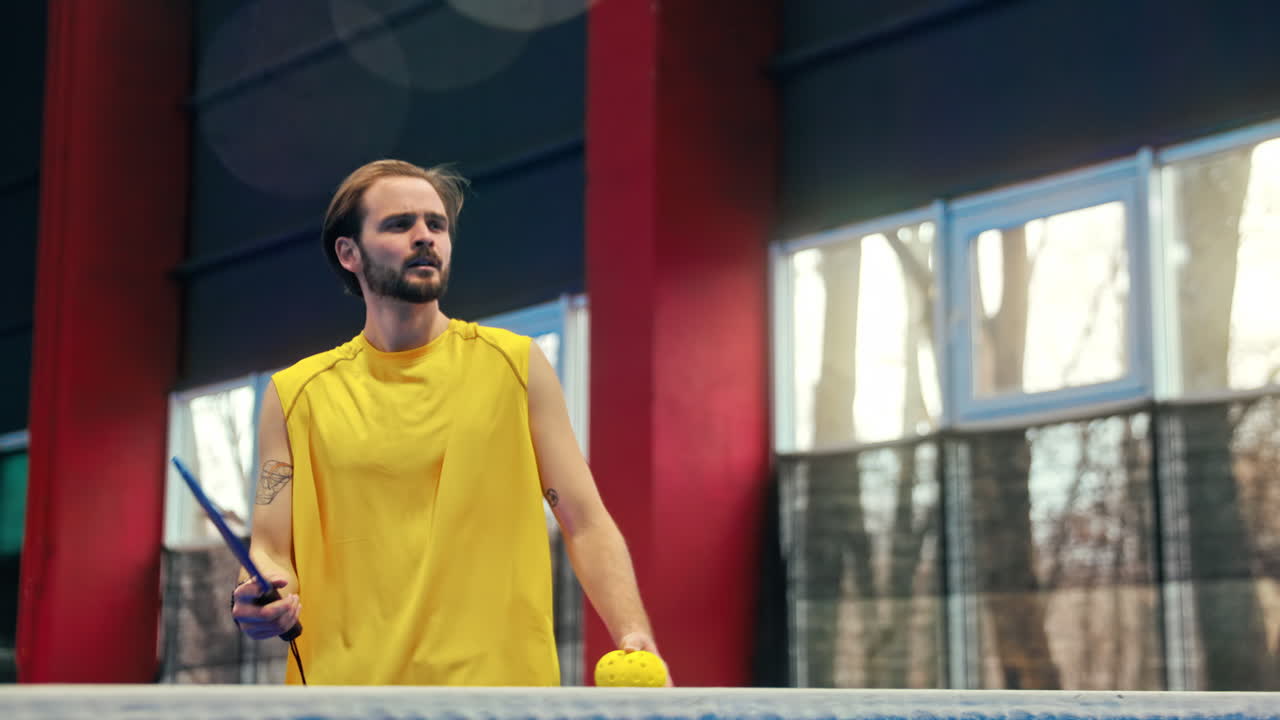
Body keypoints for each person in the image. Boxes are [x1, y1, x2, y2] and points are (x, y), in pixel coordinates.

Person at [229, 159, 666, 686]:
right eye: (399, 224)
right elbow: (271, 546)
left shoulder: (517, 366)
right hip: (346, 697)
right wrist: (264, 589)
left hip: (500, 696)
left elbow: (584, 519)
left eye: (436, 225)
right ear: (349, 253)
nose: (424, 237)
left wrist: (632, 631)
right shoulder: (294, 394)